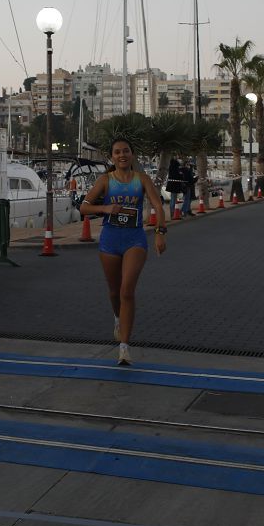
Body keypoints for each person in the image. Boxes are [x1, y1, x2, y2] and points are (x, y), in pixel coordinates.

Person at [80, 137, 167, 366]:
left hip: (134, 240)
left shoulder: (142, 179)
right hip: (110, 240)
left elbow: (158, 205)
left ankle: (124, 347)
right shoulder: (105, 181)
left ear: (132, 154)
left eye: (126, 151)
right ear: (112, 157)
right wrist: (105, 208)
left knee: (127, 291)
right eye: (117, 152)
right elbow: (84, 207)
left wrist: (160, 232)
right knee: (114, 291)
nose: (122, 155)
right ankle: (118, 318)